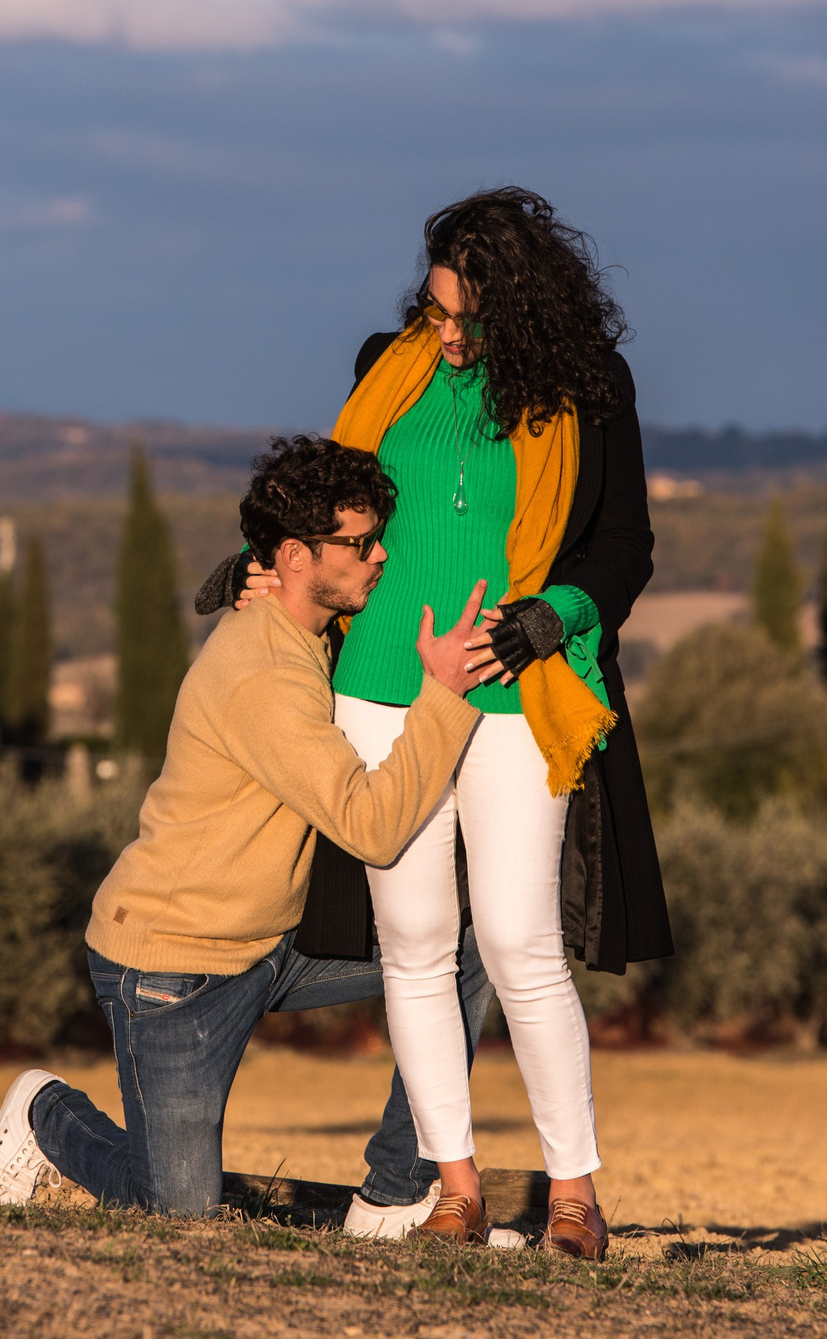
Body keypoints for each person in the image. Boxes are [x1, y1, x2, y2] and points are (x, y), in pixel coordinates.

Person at [205, 187, 671, 1258]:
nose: (447, 332)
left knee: (516, 940)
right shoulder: (390, 363)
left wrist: (554, 615)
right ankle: (455, 1190)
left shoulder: (592, 387)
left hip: (512, 689)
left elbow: (625, 545)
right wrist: (264, 564)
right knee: (413, 944)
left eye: (468, 315)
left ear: (524, 305)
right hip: (378, 686)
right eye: (436, 308)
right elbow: (327, 503)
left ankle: (573, 1196)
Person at [0, 435, 500, 1227]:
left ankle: (397, 1189)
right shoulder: (265, 673)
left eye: (376, 538)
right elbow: (372, 825)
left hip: (273, 943)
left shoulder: (309, 629)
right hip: (172, 965)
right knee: (178, 1210)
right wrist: (445, 697)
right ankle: (46, 1113)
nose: (380, 555)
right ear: (294, 556)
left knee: (472, 946)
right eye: (359, 544)